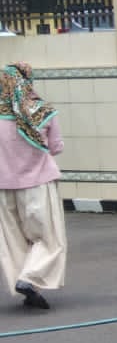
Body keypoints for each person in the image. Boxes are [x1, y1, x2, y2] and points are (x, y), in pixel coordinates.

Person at [0, 63, 65, 309]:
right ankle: (29, 278)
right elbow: (56, 147)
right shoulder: (42, 110)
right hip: (38, 185)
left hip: (4, 188)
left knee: (14, 241)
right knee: (48, 239)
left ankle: (26, 285)